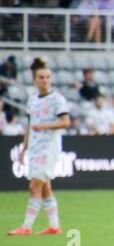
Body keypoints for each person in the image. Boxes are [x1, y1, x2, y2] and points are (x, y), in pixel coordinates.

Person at [8, 58, 70, 236]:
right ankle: (54, 226)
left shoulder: (57, 99)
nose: (45, 80)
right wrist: (23, 149)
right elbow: (29, 127)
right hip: (35, 149)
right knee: (45, 188)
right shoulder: (32, 100)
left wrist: (45, 126)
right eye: (41, 77)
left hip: (49, 148)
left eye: (48, 77)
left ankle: (26, 227)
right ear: (34, 80)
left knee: (34, 187)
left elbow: (65, 122)